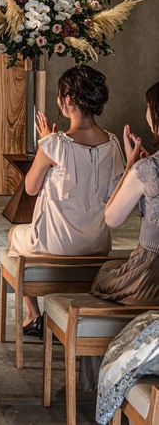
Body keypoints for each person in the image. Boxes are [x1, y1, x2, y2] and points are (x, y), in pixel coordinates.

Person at [8, 66, 125, 337]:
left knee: (14, 234)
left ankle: (33, 314)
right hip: (97, 244)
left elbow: (31, 188)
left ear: (68, 99)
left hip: (55, 245)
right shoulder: (113, 144)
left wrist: (45, 142)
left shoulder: (55, 144)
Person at [92, 81, 159, 305]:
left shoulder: (148, 168)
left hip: (150, 277)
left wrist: (130, 166)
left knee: (106, 273)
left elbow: (112, 218)